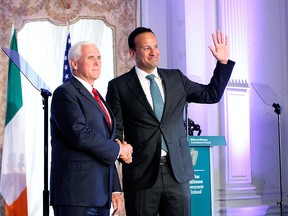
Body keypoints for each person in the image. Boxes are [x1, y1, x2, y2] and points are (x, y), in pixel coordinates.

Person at [106, 27, 235, 216]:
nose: (154, 52)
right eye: (147, 48)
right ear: (133, 53)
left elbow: (211, 94)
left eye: (156, 46)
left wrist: (222, 63)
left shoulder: (176, 78)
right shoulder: (118, 86)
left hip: (177, 173)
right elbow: (115, 131)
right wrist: (119, 150)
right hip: (141, 175)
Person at [50, 41, 133, 216]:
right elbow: (79, 134)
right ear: (74, 63)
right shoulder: (65, 93)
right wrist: (119, 149)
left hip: (100, 194)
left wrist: (115, 189)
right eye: (90, 58)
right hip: (76, 195)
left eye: (99, 58)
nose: (97, 62)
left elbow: (106, 142)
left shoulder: (97, 96)